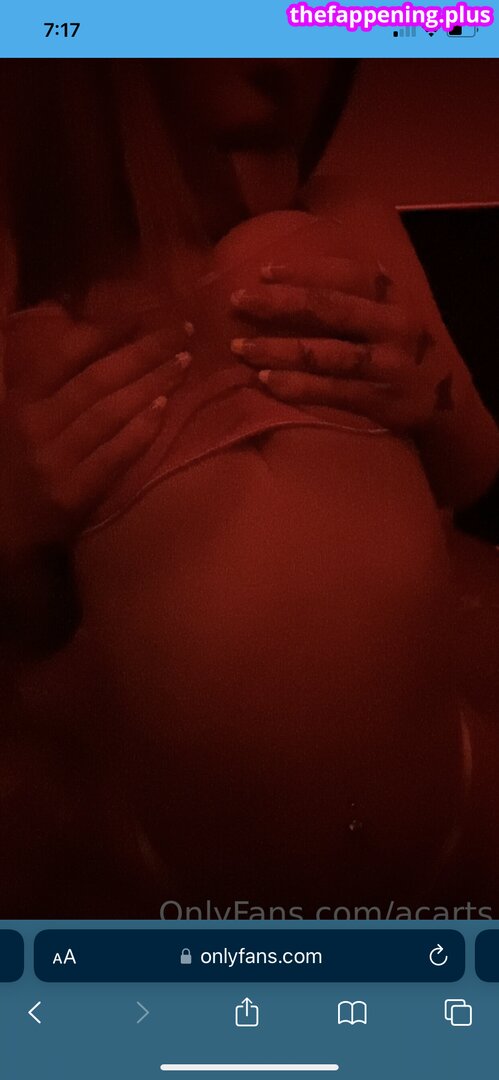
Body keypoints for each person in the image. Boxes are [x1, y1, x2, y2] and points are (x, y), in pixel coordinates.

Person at [1, 60, 498, 913]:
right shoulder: (28, 290)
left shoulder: (347, 217)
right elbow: (28, 633)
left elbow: (476, 462)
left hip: (456, 799)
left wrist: (432, 395)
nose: (283, 55)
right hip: (166, 874)